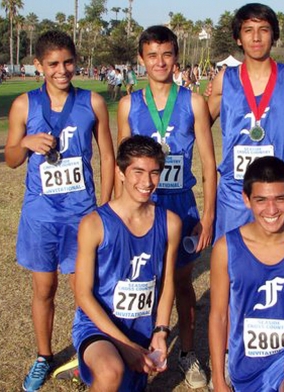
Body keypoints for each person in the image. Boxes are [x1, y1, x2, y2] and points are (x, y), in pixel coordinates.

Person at [4, 30, 115, 391]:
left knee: (87, 290)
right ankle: (43, 356)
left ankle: (89, 355)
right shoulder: (25, 104)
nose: (62, 70)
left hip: (81, 215)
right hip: (40, 215)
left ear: (76, 61)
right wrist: (24, 142)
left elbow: (109, 157)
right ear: (38, 65)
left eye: (68, 62)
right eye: (53, 64)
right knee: (44, 289)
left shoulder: (92, 102)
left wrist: (106, 208)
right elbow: (11, 161)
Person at [117, 25, 217, 389]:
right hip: (143, 206)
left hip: (181, 206)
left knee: (182, 284)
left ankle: (187, 352)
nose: (160, 62)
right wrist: (116, 215)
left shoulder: (193, 102)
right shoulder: (129, 104)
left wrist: (207, 216)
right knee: (143, 283)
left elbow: (207, 162)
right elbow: (121, 165)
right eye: (152, 55)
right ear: (141, 60)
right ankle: (138, 352)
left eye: (167, 54)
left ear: (177, 57)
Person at [209, 156, 284, 392]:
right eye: (261, 200)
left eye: (280, 199)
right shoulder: (226, 248)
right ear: (246, 200)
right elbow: (219, 316)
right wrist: (220, 380)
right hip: (243, 365)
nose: (271, 210)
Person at [72, 135, 180, 391]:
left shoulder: (171, 223)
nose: (147, 182)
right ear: (120, 172)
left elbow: (166, 284)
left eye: (154, 173)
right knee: (111, 372)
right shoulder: (94, 224)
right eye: (138, 172)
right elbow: (82, 293)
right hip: (98, 326)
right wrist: (124, 345)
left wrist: (161, 331)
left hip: (140, 328)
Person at [207, 2, 284, 243]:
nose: (256, 37)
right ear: (238, 38)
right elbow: (200, 122)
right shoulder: (225, 79)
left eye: (264, 29)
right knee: (231, 256)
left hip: (275, 189)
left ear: (274, 35)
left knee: (273, 259)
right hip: (235, 190)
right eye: (248, 30)